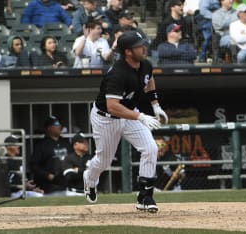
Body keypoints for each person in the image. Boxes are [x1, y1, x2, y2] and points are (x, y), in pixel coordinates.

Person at [83, 30, 168, 213]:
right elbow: (113, 106)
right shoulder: (117, 74)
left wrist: (155, 105)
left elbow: (149, 79)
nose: (144, 48)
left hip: (130, 113)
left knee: (151, 148)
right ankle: (90, 179)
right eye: (139, 46)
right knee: (104, 162)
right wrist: (141, 116)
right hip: (107, 118)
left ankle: (145, 197)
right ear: (128, 52)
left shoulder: (144, 64)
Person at [30, 116, 72, 196]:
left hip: (67, 184)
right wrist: (47, 175)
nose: (59, 127)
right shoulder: (41, 145)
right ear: (49, 128)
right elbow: (34, 165)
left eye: (60, 124)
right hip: (49, 186)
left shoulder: (66, 143)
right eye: (56, 124)